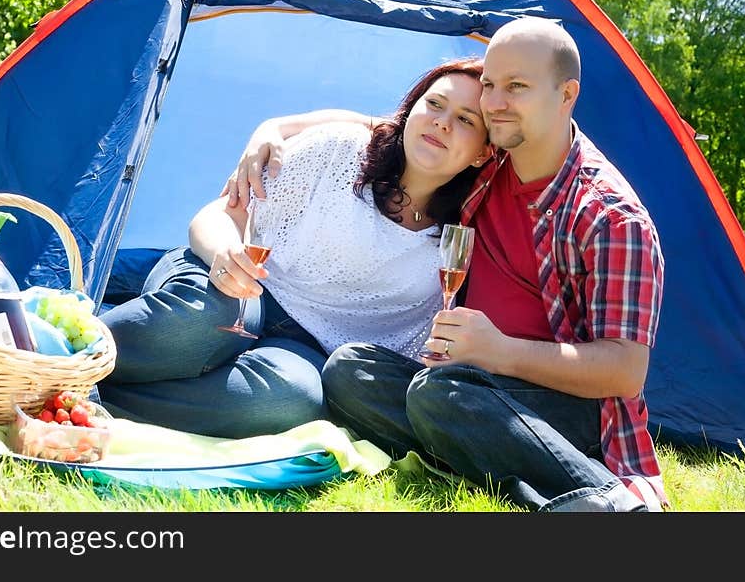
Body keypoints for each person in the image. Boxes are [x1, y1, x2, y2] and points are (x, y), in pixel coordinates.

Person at [225, 16, 668, 511]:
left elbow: (625, 372)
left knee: (441, 393)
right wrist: (274, 128)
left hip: (561, 402)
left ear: (567, 95)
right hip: (470, 380)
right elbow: (394, 126)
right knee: (349, 369)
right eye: (492, 87)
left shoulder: (609, 216)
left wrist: (499, 352)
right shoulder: (488, 161)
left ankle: (606, 499)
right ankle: (476, 455)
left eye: (516, 87)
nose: (495, 103)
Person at [97, 58, 491, 439]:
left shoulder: (459, 241)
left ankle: (90, 395)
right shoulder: (340, 151)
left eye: (466, 120)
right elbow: (220, 215)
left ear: (483, 153)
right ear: (409, 112)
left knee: (292, 400)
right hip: (241, 286)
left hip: (301, 348)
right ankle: (58, 352)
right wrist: (223, 254)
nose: (442, 121)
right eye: (434, 104)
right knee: (198, 324)